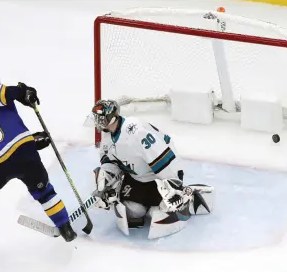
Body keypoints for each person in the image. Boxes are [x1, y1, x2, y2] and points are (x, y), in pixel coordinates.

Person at [0, 71, 77, 267]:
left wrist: (31, 141)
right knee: (44, 191)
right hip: (25, 155)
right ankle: (66, 228)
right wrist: (23, 92)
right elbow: (5, 93)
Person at [90, 99, 213, 239]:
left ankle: (188, 197)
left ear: (111, 118)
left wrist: (174, 186)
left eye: (100, 118)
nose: (97, 122)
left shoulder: (134, 130)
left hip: (160, 176)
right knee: (132, 211)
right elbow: (110, 163)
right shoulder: (107, 137)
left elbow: (162, 157)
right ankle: (153, 204)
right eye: (96, 118)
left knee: (162, 209)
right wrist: (106, 183)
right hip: (138, 178)